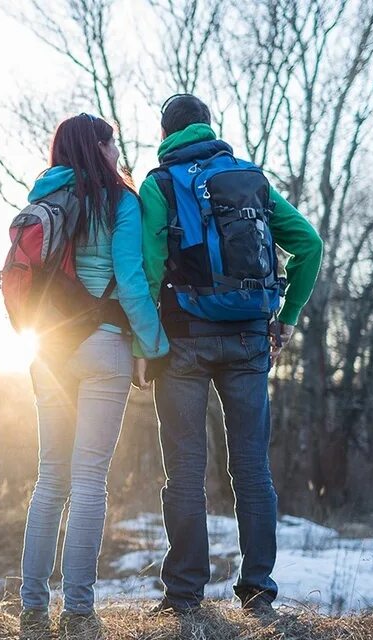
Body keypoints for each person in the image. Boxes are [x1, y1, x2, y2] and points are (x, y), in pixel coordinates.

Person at [138, 94, 323, 616]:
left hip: (182, 342)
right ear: (208, 127)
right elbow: (309, 244)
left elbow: (151, 269)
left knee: (185, 471)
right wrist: (284, 319)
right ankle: (259, 591)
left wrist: (145, 342)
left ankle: (183, 596)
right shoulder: (251, 178)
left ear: (166, 132)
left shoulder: (159, 184)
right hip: (247, 338)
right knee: (251, 467)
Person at [16, 113, 169, 639]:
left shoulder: (44, 198)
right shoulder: (120, 201)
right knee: (88, 482)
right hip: (103, 348)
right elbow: (129, 279)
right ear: (101, 148)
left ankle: (32, 609)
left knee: (49, 481)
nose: (117, 154)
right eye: (114, 145)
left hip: (49, 351)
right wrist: (151, 345)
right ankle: (79, 611)